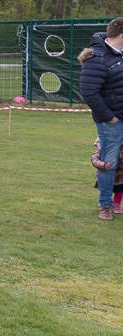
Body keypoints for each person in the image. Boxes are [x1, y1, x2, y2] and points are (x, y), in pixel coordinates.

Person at [80, 17, 123, 221]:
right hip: (111, 123)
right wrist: (110, 118)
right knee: (109, 163)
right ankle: (105, 205)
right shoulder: (96, 57)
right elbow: (89, 93)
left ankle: (117, 203)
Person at [92, 137, 123, 213]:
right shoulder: (102, 146)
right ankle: (103, 204)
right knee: (104, 190)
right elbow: (94, 159)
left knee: (119, 190)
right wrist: (103, 165)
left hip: (120, 175)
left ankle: (116, 204)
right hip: (104, 174)